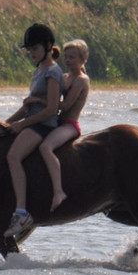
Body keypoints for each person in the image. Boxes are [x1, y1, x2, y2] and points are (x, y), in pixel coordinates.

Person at [4, 23, 63, 238]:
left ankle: (22, 213)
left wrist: (22, 125)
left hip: (43, 126)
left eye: (35, 49)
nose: (31, 53)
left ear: (48, 46)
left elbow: (51, 110)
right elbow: (28, 106)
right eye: (29, 50)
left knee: (13, 156)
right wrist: (5, 123)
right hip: (32, 122)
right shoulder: (38, 70)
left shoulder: (53, 72)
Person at [39, 39, 91, 211]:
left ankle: (58, 191)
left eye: (73, 57)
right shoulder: (64, 77)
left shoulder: (82, 80)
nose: (68, 61)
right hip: (57, 123)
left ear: (83, 59)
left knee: (46, 147)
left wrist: (42, 102)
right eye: (66, 57)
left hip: (69, 125)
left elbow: (66, 105)